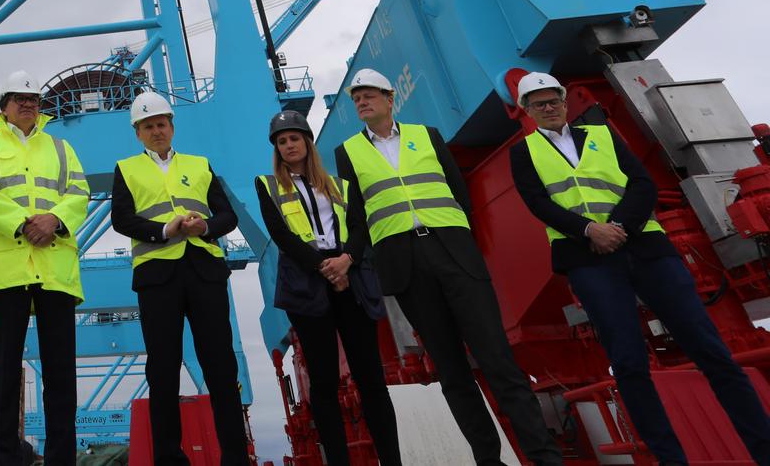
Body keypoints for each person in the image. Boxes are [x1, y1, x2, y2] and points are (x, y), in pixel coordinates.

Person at [509, 71, 770, 466]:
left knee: (711, 350)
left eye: (553, 101)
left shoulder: (602, 134)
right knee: (629, 363)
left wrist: (618, 227)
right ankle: (669, 460)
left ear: (564, 102)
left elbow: (642, 184)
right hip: (588, 258)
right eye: (538, 104)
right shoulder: (523, 152)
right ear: (527, 110)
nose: (548, 108)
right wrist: (589, 230)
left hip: (646, 248)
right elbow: (537, 203)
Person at [335, 68, 564, 466]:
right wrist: (351, 256)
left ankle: (544, 458)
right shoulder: (347, 152)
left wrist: (458, 239)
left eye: (368, 95)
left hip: (454, 254)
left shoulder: (427, 135)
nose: (361, 102)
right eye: (356, 98)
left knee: (498, 359)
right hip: (405, 265)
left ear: (390, 98)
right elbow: (356, 215)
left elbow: (459, 191)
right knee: (452, 372)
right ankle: (488, 461)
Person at [112, 92, 251, 465]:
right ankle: (169, 458)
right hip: (157, 277)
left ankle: (235, 457)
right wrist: (164, 230)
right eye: (148, 126)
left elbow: (227, 215)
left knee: (221, 366)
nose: (156, 131)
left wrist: (205, 227)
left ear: (172, 127)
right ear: (137, 133)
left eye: (161, 124)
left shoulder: (200, 165)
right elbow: (121, 219)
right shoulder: (126, 169)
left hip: (204, 271)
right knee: (162, 368)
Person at [256, 109, 400, 466]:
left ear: (307, 141)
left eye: (294, 138)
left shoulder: (340, 185)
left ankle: (392, 460)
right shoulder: (267, 185)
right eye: (282, 141)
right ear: (276, 149)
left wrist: (346, 260)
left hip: (351, 278)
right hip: (307, 284)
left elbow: (360, 225)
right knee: (323, 382)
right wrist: (324, 266)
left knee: (371, 377)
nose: (289, 145)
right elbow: (280, 234)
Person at [0, 70, 88, 466]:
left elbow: (79, 193)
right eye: (19, 98)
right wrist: (25, 223)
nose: (28, 103)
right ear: (3, 107)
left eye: (33, 98)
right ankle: (7, 460)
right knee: (3, 374)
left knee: (61, 377)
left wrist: (54, 220)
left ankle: (61, 461)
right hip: (7, 269)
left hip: (54, 270)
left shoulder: (61, 147)